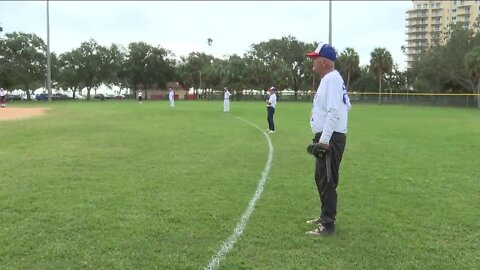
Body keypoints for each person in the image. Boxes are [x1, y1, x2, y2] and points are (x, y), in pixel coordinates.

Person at [304, 43, 352, 236]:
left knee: (327, 181)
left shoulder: (331, 79)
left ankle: (328, 225)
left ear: (324, 61)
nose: (312, 62)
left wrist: (324, 141)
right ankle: (325, 216)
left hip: (330, 137)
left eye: (315, 58)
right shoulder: (330, 79)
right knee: (321, 178)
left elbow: (334, 112)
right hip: (327, 135)